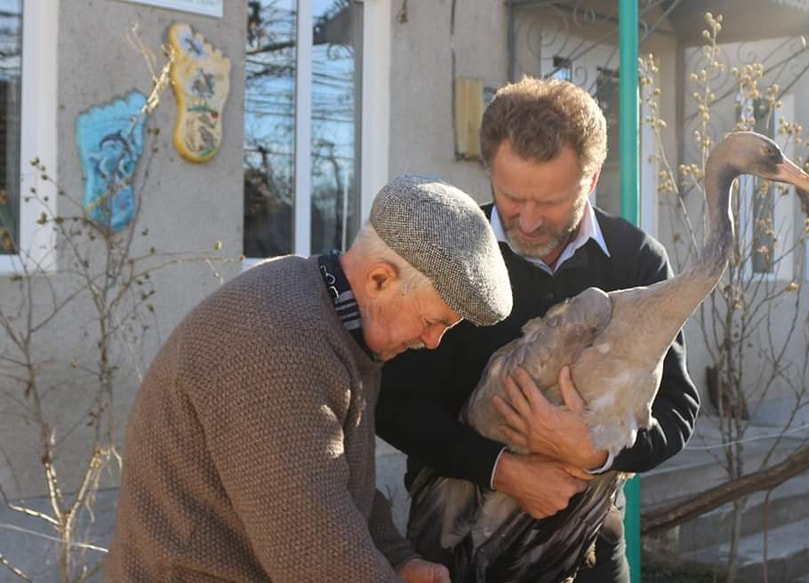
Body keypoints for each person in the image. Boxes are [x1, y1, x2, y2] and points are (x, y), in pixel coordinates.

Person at [105, 175, 513, 582]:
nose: (433, 341)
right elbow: (315, 548)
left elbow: (340, 487)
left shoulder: (335, 322)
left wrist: (399, 560)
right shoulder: (279, 339)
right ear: (380, 279)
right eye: (430, 321)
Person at [375, 77, 700, 581]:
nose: (526, 221)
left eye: (549, 202)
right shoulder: (445, 254)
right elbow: (394, 406)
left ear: (591, 181)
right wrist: (502, 469)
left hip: (588, 547)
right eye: (510, 197)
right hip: (455, 543)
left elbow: (677, 409)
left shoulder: (637, 261)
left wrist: (595, 452)